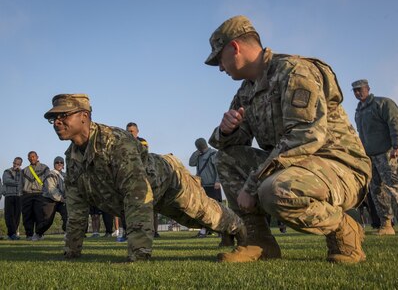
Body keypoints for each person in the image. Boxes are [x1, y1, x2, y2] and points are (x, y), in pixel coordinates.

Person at [205, 15, 372, 263]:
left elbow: (304, 137)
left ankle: (344, 229)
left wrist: (252, 184)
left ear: (234, 47)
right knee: (227, 159)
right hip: (293, 168)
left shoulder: (294, 71)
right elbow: (234, 146)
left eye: (220, 59)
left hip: (340, 167)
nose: (220, 67)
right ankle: (259, 242)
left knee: (276, 189)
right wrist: (227, 131)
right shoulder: (246, 92)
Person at [44, 93, 246, 262]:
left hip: (169, 178)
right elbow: (76, 208)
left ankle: (240, 228)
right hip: (151, 191)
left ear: (84, 116)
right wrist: (72, 251)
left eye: (64, 115)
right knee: (191, 221)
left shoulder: (114, 142)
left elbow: (136, 194)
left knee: (203, 212)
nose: (57, 123)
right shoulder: (72, 158)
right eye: (54, 118)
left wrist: (138, 254)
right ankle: (226, 232)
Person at [352, 79, 398, 236]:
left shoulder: (383, 103)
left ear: (368, 88)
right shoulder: (359, 111)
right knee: (376, 191)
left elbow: (396, 123)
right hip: (370, 157)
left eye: (360, 89)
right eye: (354, 90)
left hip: (387, 154)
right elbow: (362, 135)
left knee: (396, 187)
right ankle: (386, 225)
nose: (357, 92)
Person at [126, 121, 160, 239]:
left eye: (132, 131)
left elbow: (141, 155)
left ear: (137, 131)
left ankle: (154, 231)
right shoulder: (122, 142)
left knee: (150, 205)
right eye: (128, 131)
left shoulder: (142, 141)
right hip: (129, 178)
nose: (130, 133)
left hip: (144, 176)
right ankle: (129, 231)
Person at [189, 138, 222, 238]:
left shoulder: (213, 153)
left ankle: (220, 231)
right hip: (203, 186)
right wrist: (196, 152)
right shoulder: (199, 155)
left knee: (217, 209)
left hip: (213, 185)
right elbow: (191, 163)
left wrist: (218, 181)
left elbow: (219, 168)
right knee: (204, 210)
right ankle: (204, 231)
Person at [19, 151, 50, 240]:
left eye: (33, 156)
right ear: (28, 158)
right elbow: (20, 183)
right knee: (27, 215)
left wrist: (46, 193)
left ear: (37, 157)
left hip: (39, 194)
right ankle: (29, 235)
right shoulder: (24, 170)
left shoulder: (44, 168)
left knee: (39, 215)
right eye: (30, 157)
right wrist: (20, 194)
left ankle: (39, 234)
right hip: (27, 194)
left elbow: (48, 181)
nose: (32, 158)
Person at [37, 156, 68, 236]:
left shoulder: (65, 175)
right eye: (57, 162)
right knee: (47, 221)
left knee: (67, 216)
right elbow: (51, 190)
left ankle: (68, 233)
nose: (59, 164)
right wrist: (61, 198)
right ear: (54, 164)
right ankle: (38, 233)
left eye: (61, 162)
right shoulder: (50, 174)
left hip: (62, 200)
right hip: (49, 200)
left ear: (63, 164)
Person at [2, 157, 23, 240]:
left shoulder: (22, 172)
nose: (15, 165)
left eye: (18, 164)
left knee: (17, 216)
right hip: (9, 195)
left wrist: (19, 172)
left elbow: (24, 181)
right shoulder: (7, 171)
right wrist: (18, 183)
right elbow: (6, 181)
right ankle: (11, 234)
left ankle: (13, 234)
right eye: (15, 163)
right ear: (13, 162)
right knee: (9, 215)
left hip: (18, 196)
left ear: (20, 164)